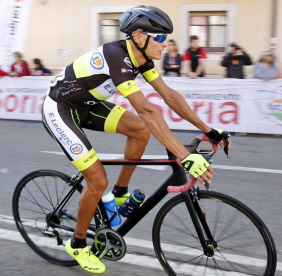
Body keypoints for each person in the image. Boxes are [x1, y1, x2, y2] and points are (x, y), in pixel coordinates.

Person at [41, 6, 231, 274]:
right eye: (161, 38)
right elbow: (148, 110)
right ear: (140, 36)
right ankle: (78, 243)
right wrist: (184, 157)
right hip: (60, 109)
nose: (165, 45)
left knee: (140, 130)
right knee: (96, 180)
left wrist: (209, 129)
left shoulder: (143, 59)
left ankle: (119, 196)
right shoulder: (117, 56)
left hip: (88, 105)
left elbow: (169, 96)